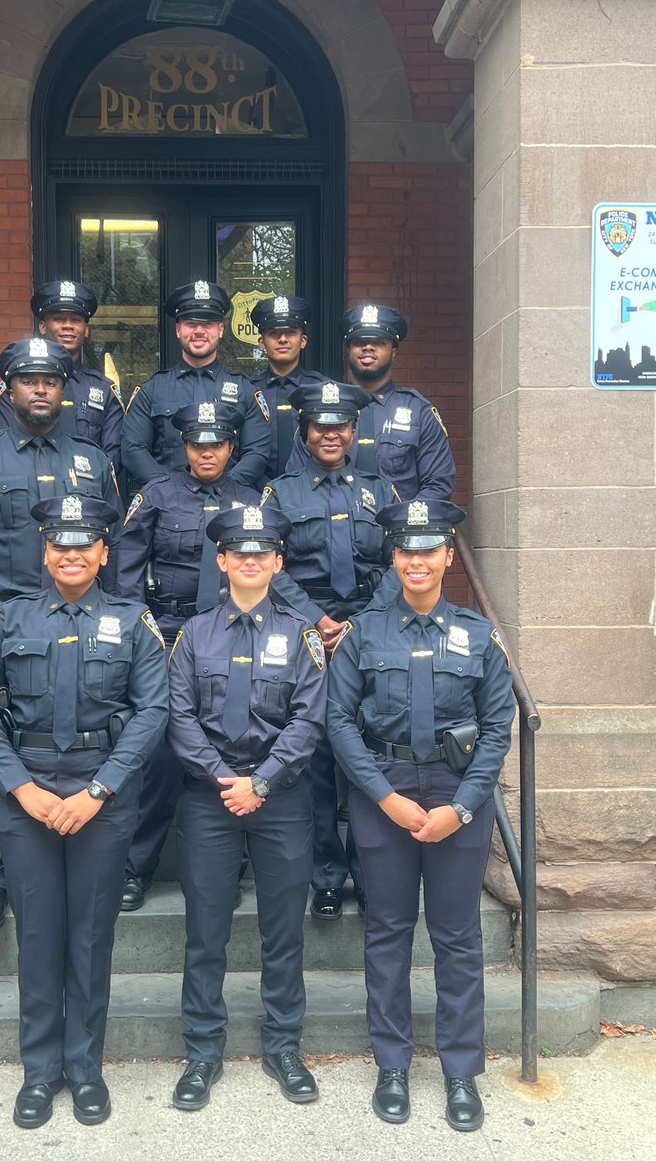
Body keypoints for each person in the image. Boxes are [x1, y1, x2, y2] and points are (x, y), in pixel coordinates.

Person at [0, 495, 169, 1130]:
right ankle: (39, 1071)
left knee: (88, 937)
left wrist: (98, 790)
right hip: (25, 797)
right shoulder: (5, 618)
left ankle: (84, 1069)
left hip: (99, 798)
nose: (72, 555)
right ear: (44, 551)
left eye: (84, 545)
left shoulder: (136, 623)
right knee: (39, 935)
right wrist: (23, 790)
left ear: (104, 553)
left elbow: (152, 713)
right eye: (60, 545)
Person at [326, 499, 515, 1132]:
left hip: (459, 792)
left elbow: (497, 728)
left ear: (445, 557)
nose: (417, 560)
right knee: (387, 931)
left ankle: (462, 1070)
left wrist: (461, 808)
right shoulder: (364, 635)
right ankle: (393, 1065)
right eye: (406, 549)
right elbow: (339, 721)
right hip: (386, 791)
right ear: (394, 557)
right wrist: (385, 797)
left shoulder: (479, 635)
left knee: (458, 937)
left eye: (429, 549)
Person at [0, 337, 124, 933]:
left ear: (64, 390)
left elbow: (110, 545)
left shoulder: (93, 460)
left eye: (51, 380)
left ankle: (81, 864)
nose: (41, 389)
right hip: (3, 620)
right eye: (28, 380)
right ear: (9, 389)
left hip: (81, 618)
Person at [167, 504, 327, 1111]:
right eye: (240, 551)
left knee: (283, 931)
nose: (252, 560)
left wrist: (259, 782)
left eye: (263, 552)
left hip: (281, 800)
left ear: (278, 562)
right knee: (204, 933)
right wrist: (222, 779)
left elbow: (310, 718)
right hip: (209, 803)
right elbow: (178, 718)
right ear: (223, 560)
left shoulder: (302, 637)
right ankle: (203, 1051)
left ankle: (284, 1045)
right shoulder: (192, 635)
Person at [261, 381, 399, 921]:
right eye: (320, 426)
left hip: (369, 629)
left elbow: (398, 561)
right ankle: (326, 875)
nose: (331, 434)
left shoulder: (380, 490)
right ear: (304, 432)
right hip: (306, 631)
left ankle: (369, 873)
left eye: (340, 426)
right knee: (315, 759)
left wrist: (360, 623)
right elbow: (270, 565)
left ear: (353, 432)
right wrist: (317, 620)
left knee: (367, 749)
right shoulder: (280, 493)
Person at [115, 401, 261, 910]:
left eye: (216, 444)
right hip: (168, 633)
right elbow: (127, 568)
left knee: (233, 740)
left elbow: (264, 571)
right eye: (197, 444)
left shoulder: (249, 501)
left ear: (231, 447)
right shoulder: (156, 495)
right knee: (157, 754)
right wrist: (143, 633)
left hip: (234, 634)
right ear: (184, 447)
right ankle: (137, 866)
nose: (206, 452)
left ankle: (231, 868)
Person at [121, 281, 271, 489]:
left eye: (208, 323)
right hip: (167, 509)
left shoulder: (245, 390)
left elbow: (257, 452)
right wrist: (167, 492)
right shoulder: (151, 390)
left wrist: (225, 490)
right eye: (191, 323)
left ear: (220, 330)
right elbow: (133, 449)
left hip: (229, 509)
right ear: (178, 330)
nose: (199, 331)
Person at [0, 280, 124, 468]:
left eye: (76, 320)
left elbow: (112, 457)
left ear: (86, 330)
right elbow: (6, 448)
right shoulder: (14, 385)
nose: (67, 326)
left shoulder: (104, 389)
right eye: (59, 319)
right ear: (43, 327)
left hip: (89, 492)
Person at [341, 303, 455, 500]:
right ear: (348, 349)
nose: (368, 347)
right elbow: (302, 481)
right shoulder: (324, 408)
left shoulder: (419, 412)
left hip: (399, 527)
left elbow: (438, 484)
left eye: (378, 342)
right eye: (359, 342)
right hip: (337, 527)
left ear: (393, 352)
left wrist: (402, 523)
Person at [249, 295, 327, 477]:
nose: (283, 339)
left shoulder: (321, 389)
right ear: (262, 342)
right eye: (274, 333)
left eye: (291, 332)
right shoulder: (248, 391)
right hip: (256, 493)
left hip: (311, 492)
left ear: (303, 341)